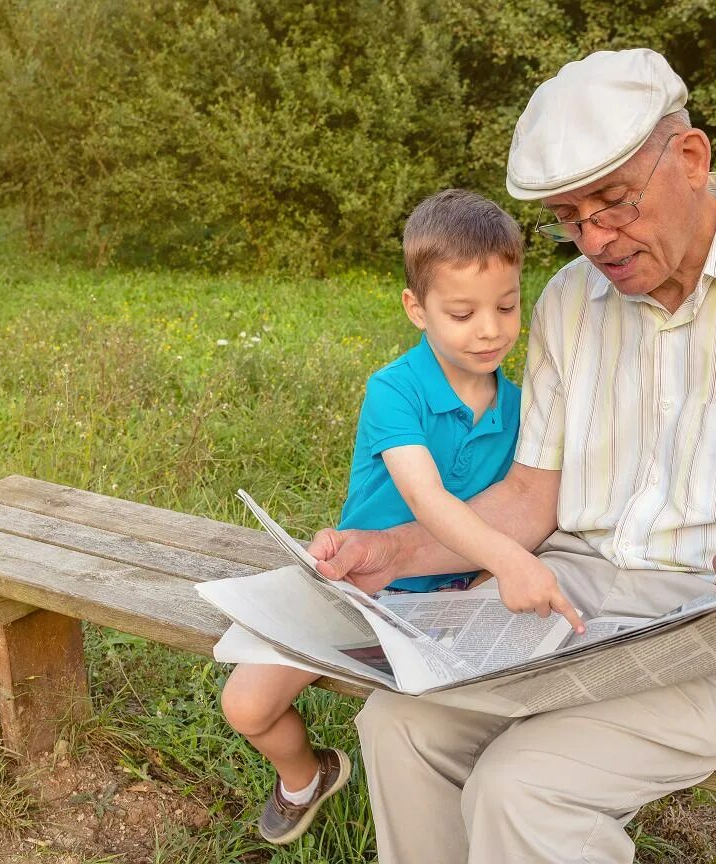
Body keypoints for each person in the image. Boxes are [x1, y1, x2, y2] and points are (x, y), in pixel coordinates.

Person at [308, 49, 716, 863]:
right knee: (399, 723)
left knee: (524, 787)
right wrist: (388, 550)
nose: (595, 241)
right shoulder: (572, 299)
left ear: (690, 158)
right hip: (568, 608)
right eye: (568, 220)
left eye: (612, 204)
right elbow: (530, 497)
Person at [220, 189, 570, 845]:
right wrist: (509, 559)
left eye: (506, 305)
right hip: (363, 583)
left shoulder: (525, 409)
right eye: (462, 313)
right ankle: (307, 775)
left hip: (456, 599)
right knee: (246, 705)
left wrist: (498, 569)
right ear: (418, 308)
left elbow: (529, 503)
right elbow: (427, 500)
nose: (490, 329)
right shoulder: (395, 389)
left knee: (463, 726)